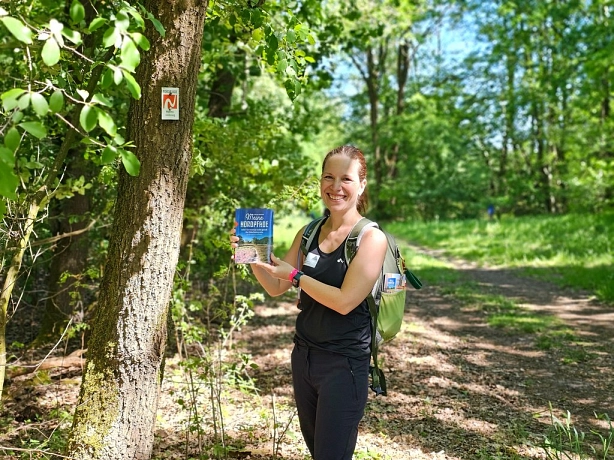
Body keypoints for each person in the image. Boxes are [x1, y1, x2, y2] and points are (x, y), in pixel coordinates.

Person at [230, 145, 387, 460]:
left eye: (346, 178)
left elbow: (345, 302)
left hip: (344, 365)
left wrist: (297, 277)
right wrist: (251, 254)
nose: (335, 187)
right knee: (319, 452)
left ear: (362, 185)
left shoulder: (370, 239)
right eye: (329, 177)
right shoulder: (309, 232)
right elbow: (276, 285)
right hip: (304, 358)